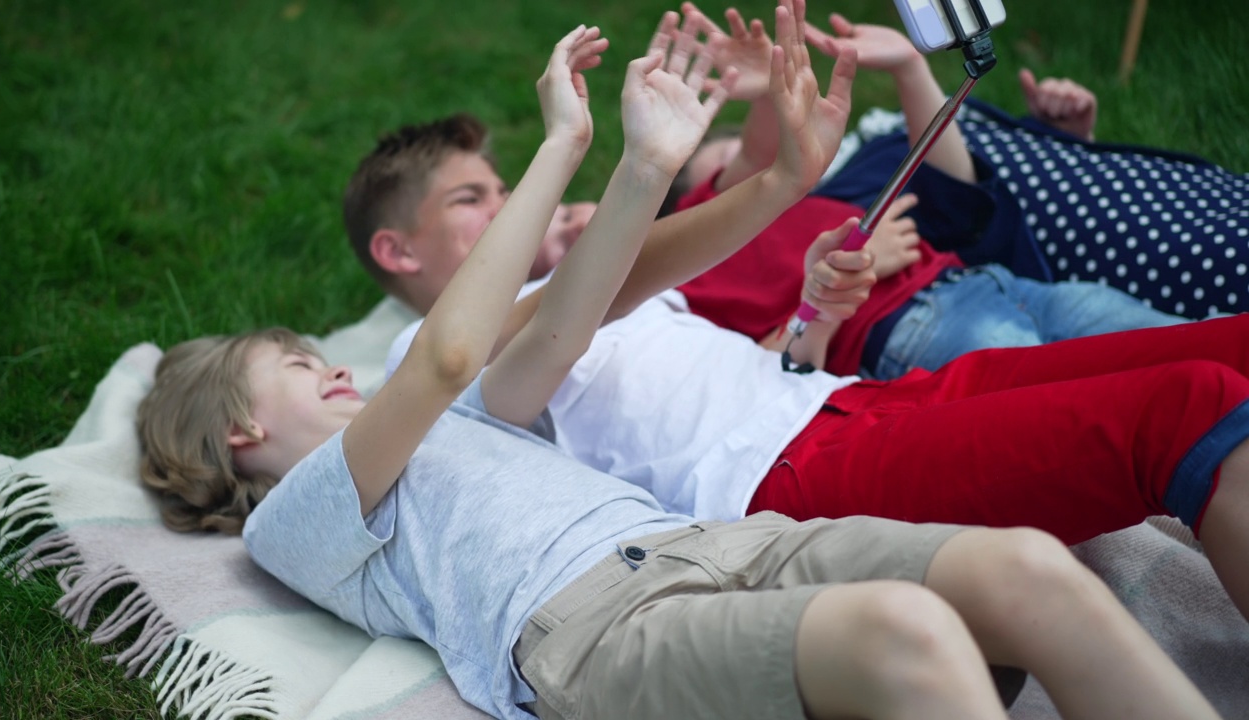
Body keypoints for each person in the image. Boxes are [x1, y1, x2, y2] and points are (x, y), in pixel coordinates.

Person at [136, 8, 1229, 719]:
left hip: (720, 540)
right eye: (295, 361)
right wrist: (564, 143)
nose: (334, 370)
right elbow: (449, 351)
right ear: (238, 429)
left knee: (1026, 568)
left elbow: (576, 316)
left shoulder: (460, 418)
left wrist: (655, 163)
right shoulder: (301, 516)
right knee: (907, 630)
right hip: (595, 622)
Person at [668, 4, 1186, 379]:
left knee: (1177, 342)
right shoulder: (686, 260)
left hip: (984, 282)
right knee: (1087, 394)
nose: (751, 171)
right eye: (722, 164)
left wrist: (766, 91)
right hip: (904, 325)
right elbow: (755, 160)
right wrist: (845, 277)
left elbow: (763, 156)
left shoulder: (817, 196)